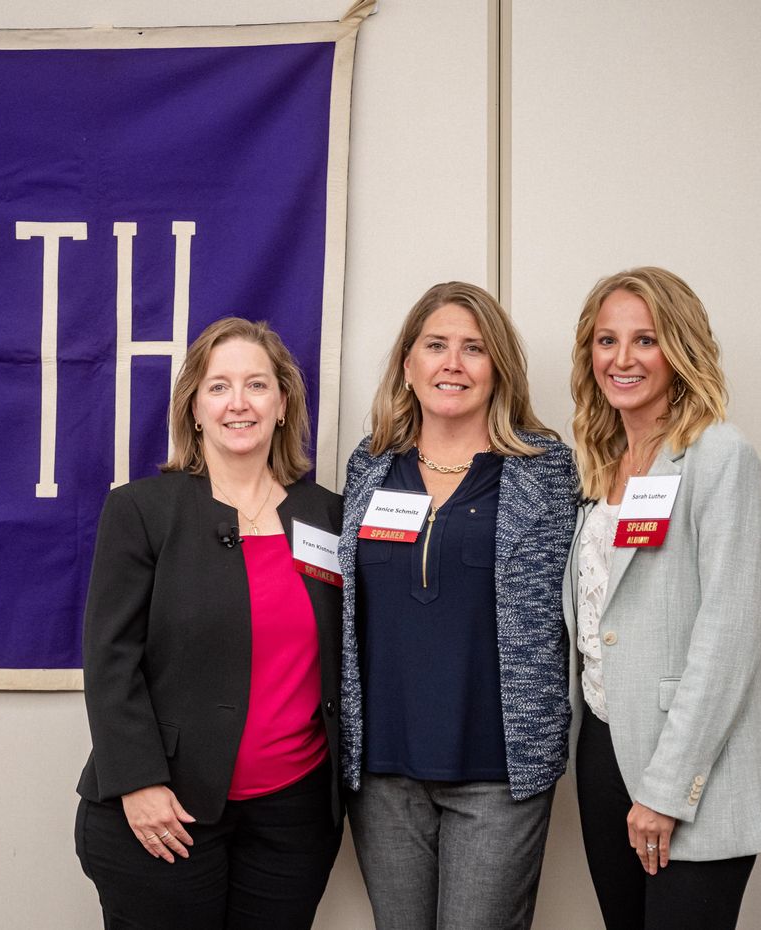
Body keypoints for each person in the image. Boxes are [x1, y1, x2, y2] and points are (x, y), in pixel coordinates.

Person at [74, 317, 345, 930]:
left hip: (292, 819)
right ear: (194, 409)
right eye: (218, 387)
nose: (238, 403)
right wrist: (137, 783)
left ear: (283, 404)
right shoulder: (143, 511)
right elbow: (110, 660)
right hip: (167, 812)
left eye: (257, 385)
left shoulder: (327, 516)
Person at [337, 282, 578, 930]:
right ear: (408, 364)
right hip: (383, 771)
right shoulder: (371, 467)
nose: (453, 363)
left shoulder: (545, 470)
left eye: (473, 348)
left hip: (497, 770)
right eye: (436, 345)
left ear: (498, 366)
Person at [566, 267, 761, 930]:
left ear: (679, 349)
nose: (622, 359)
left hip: (686, 763)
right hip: (602, 747)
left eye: (644, 340)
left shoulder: (718, 456)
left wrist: (667, 789)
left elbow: (729, 637)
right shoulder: (600, 462)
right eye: (606, 340)